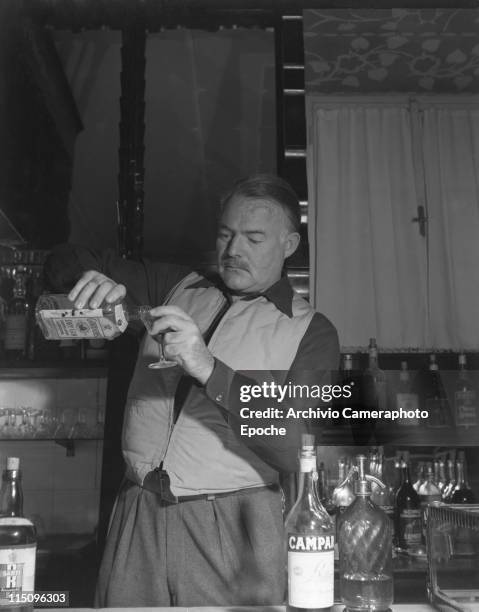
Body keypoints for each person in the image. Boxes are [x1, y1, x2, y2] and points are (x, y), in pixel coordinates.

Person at [45, 174, 339, 607]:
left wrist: (207, 368)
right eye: (226, 234)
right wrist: (88, 278)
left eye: (253, 238)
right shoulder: (175, 285)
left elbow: (297, 446)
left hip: (234, 525)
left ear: (290, 244)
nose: (233, 250)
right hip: (137, 511)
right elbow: (62, 259)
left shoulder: (311, 331)